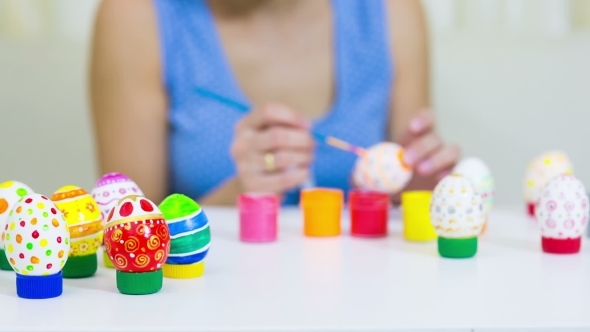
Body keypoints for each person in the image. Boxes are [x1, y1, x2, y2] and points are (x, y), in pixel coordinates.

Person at [90, 0, 460, 206]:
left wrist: (416, 192)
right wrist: (239, 197)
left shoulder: (390, 11)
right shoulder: (136, 15)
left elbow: (404, 190)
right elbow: (128, 234)